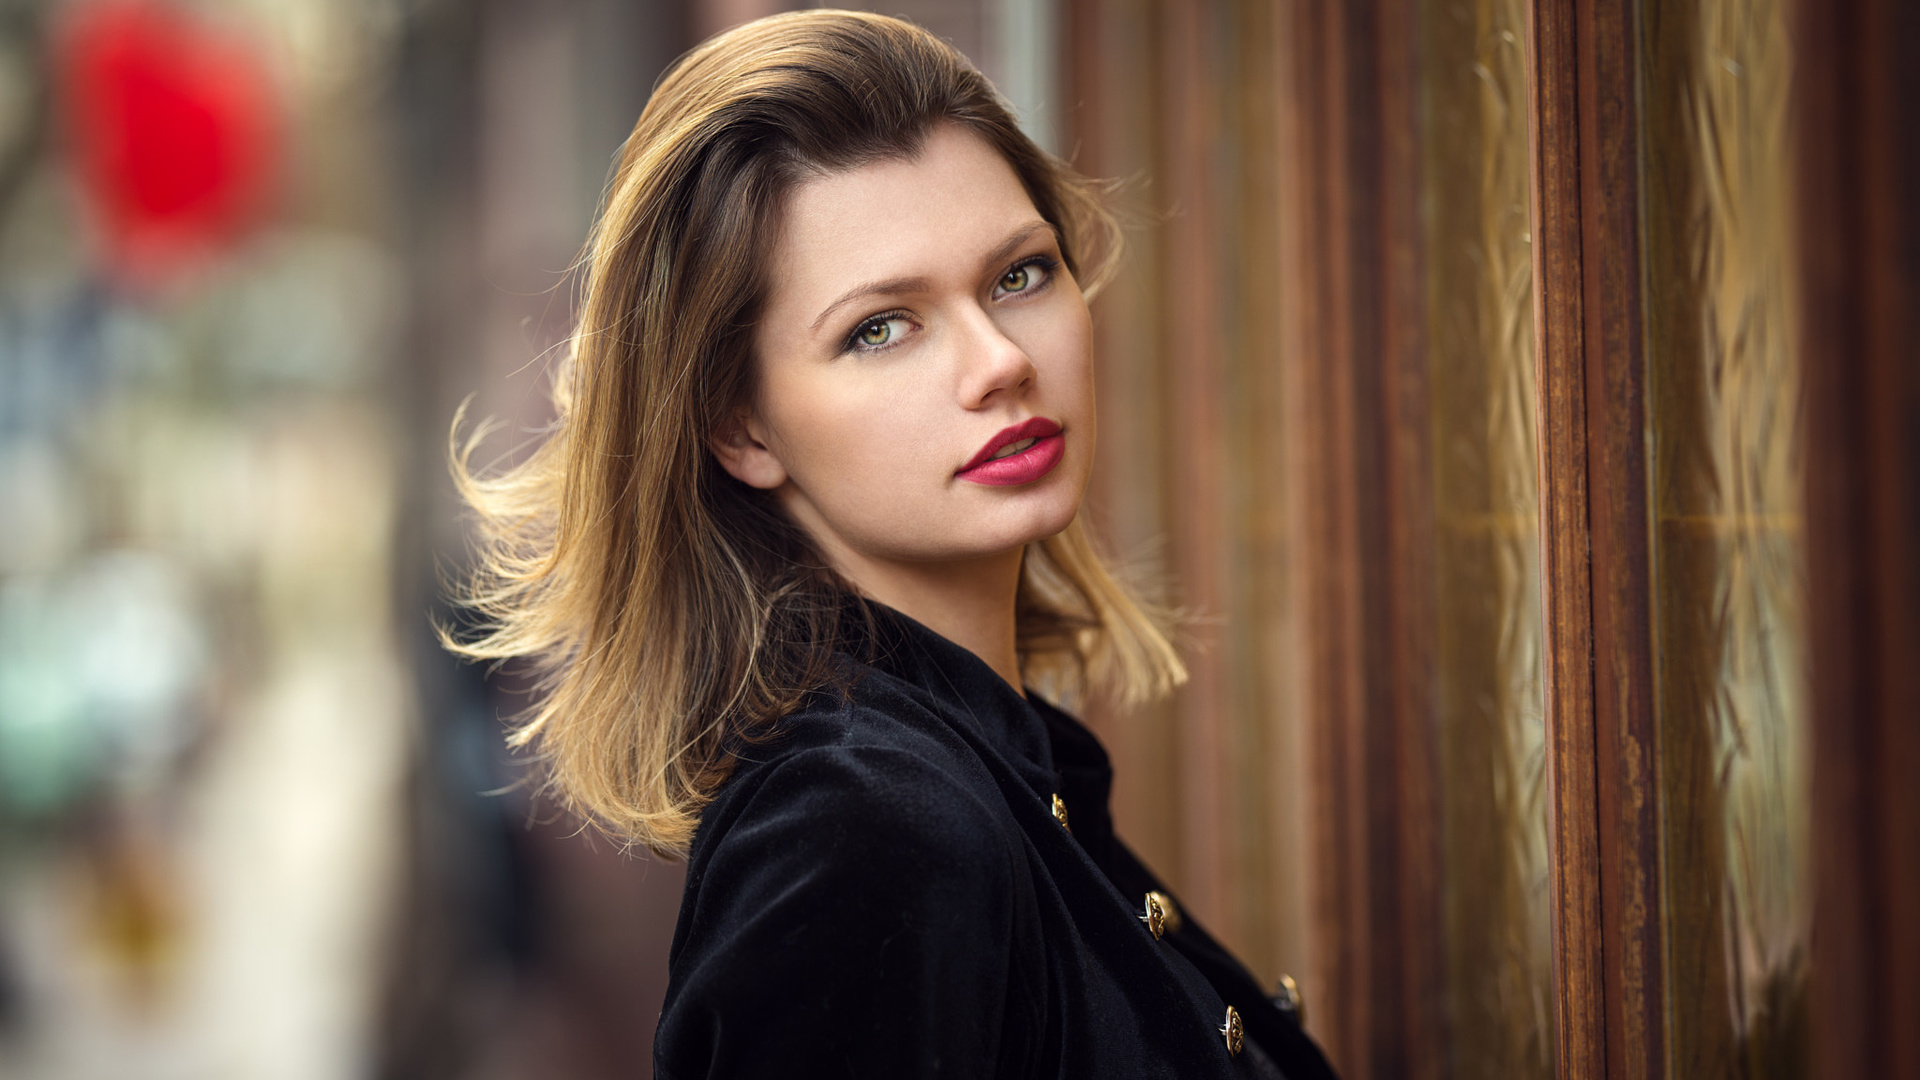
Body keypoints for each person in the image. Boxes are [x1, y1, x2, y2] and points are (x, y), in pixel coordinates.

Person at [449, 10, 1338, 1078]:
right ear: (743, 426)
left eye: (1018, 275)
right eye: (882, 327)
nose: (999, 360)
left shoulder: (980, 761)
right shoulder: (867, 835)